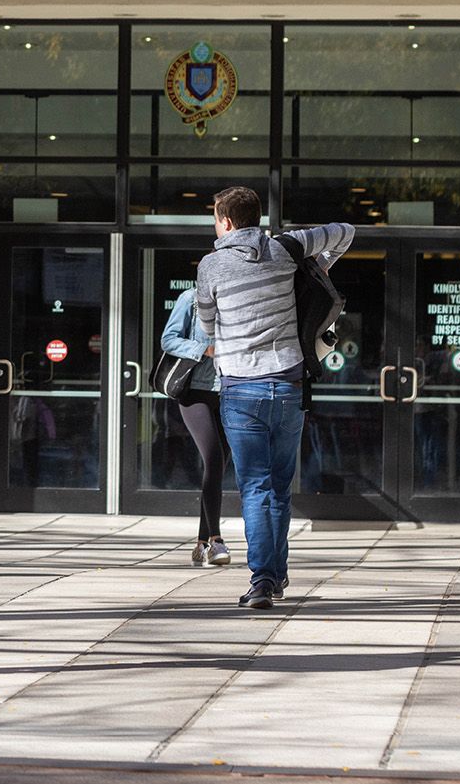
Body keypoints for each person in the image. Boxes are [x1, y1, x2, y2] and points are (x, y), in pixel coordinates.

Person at [195, 186, 354, 611]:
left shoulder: (212, 264)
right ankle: (277, 574)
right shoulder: (286, 248)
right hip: (287, 385)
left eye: (215, 218)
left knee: (255, 486)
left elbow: (207, 326)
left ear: (225, 221)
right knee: (279, 487)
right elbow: (346, 231)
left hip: (242, 389)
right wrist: (316, 267)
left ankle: (263, 578)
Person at [160, 285, 230, 568]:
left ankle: (201, 544)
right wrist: (205, 349)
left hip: (230, 392)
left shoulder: (241, 300)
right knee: (213, 459)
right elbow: (169, 339)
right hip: (194, 392)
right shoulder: (190, 299)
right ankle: (216, 540)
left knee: (219, 465)